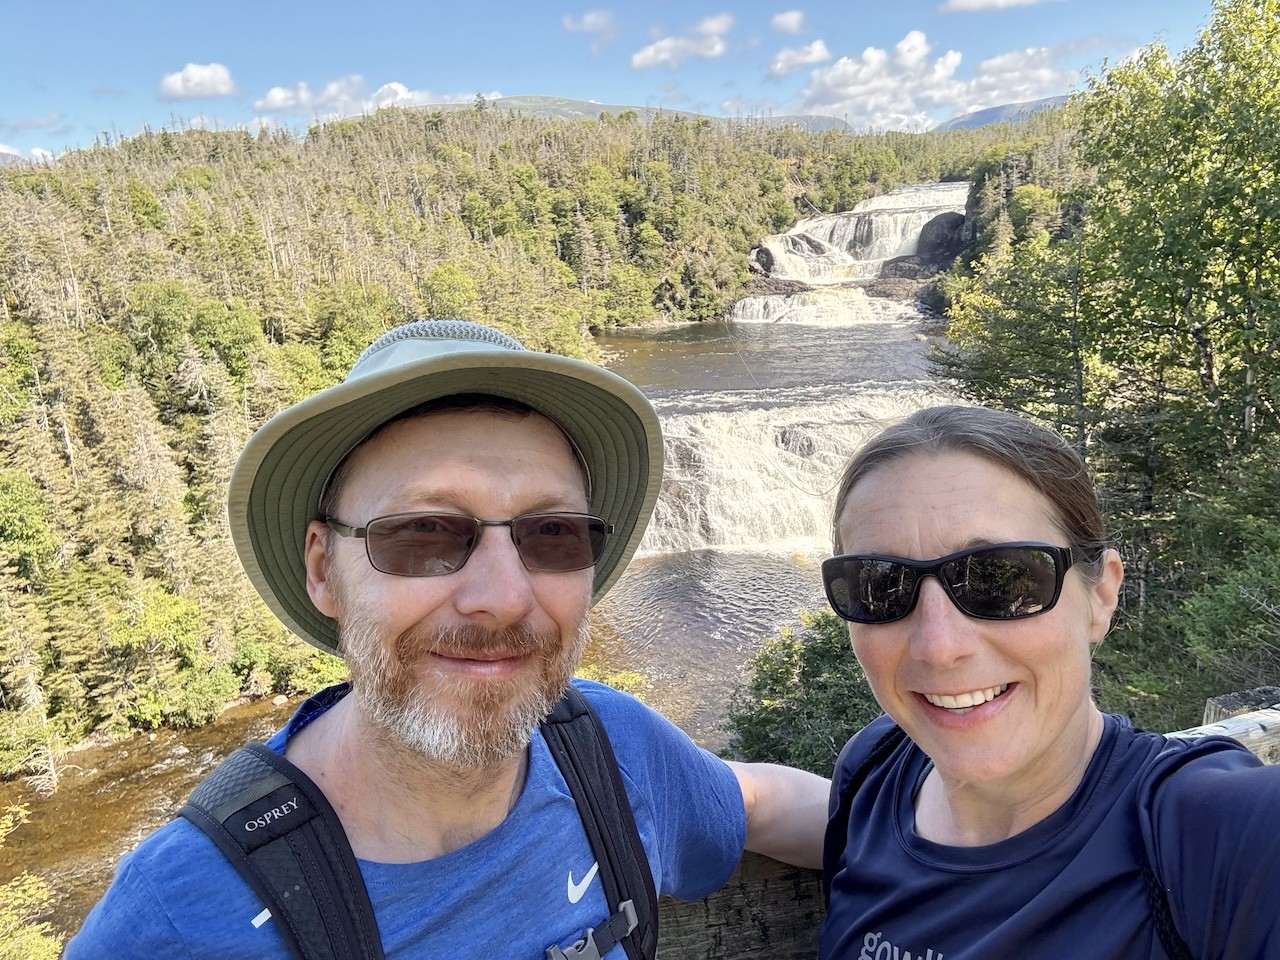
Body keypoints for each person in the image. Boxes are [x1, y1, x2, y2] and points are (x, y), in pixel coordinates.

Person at [68, 318, 829, 958]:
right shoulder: (175, 916)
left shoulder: (610, 749)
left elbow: (765, 806)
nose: (503, 599)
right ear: (323, 570)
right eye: (426, 532)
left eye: (553, 534)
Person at [818, 404, 1280, 960]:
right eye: (879, 584)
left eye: (1001, 579)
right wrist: (746, 798)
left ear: (1100, 596)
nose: (939, 646)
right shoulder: (875, 768)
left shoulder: (1225, 833)